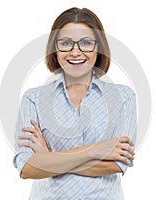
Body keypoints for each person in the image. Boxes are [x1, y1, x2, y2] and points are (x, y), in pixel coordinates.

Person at [13, 7, 137, 199]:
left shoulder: (123, 97)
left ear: (98, 47)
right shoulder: (33, 99)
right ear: (55, 49)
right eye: (66, 43)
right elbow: (27, 168)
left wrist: (49, 158)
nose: (76, 52)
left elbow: (117, 164)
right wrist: (96, 150)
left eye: (86, 43)